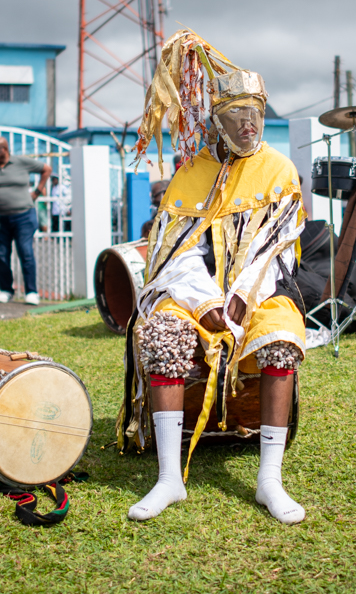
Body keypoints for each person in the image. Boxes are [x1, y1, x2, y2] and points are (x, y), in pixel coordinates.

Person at [124, 30, 306, 524]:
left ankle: (270, 477)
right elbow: (174, 253)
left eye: (255, 114)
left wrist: (244, 297)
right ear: (215, 119)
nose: (248, 126)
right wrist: (205, 302)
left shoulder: (280, 170)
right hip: (193, 292)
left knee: (282, 339)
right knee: (161, 332)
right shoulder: (191, 174)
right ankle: (169, 478)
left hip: (260, 287)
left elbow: (277, 247)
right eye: (235, 115)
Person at [0, 136, 51, 305]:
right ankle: (6, 290)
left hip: (24, 216)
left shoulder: (21, 162)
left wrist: (37, 192)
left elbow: (47, 169)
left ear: (5, 149)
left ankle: (31, 292)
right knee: (1, 255)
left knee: (25, 252)